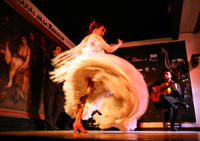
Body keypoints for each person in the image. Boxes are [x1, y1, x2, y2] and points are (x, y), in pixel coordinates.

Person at [50, 20, 149, 133]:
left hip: (84, 67)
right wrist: (119, 45)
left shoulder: (86, 39)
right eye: (102, 30)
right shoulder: (96, 37)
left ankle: (77, 122)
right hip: (92, 67)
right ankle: (119, 113)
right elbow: (109, 49)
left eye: (103, 32)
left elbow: (79, 52)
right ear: (95, 28)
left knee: (85, 95)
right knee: (112, 85)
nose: (102, 33)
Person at [44, 45, 72, 130]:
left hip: (60, 84)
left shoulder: (63, 62)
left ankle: (53, 122)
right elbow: (51, 67)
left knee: (59, 104)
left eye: (60, 50)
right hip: (51, 83)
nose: (59, 51)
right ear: (53, 51)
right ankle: (49, 123)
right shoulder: (49, 60)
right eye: (57, 49)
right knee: (49, 102)